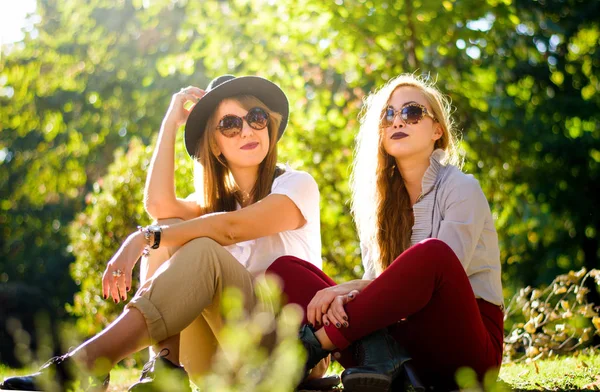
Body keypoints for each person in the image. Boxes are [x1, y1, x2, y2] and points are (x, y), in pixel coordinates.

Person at [0, 75, 326, 391]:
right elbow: (158, 205)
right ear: (215, 145)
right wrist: (171, 121)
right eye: (230, 124)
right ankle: (163, 366)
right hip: (224, 362)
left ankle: (84, 364)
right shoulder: (215, 206)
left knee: (193, 245)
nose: (246, 131)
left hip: (290, 351)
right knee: (169, 226)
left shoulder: (296, 185)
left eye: (255, 117)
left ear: (268, 125)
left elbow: (230, 229)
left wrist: (141, 238)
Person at [267, 74, 504, 391]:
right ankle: (387, 369)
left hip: (465, 350)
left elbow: (443, 272)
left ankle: (311, 346)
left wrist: (347, 290)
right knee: (284, 271)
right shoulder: (378, 204)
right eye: (388, 114)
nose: (397, 121)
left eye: (411, 112)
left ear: (437, 130)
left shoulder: (462, 188)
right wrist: (349, 296)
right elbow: (381, 293)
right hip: (403, 348)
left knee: (433, 253)